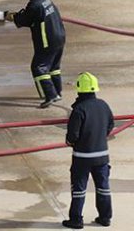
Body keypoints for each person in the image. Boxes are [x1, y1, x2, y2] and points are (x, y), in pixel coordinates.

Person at [3, 0, 66, 108]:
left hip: (46, 42)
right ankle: (58, 92)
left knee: (39, 67)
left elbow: (23, 20)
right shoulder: (46, 0)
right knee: (53, 66)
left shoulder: (34, 5)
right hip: (59, 38)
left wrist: (9, 16)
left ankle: (50, 95)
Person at [63, 72, 114, 229]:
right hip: (102, 157)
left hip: (82, 157)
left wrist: (71, 142)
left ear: (79, 89)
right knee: (103, 187)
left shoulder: (79, 109)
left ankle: (76, 220)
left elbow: (73, 136)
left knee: (79, 189)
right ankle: (105, 217)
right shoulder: (104, 105)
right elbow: (111, 125)